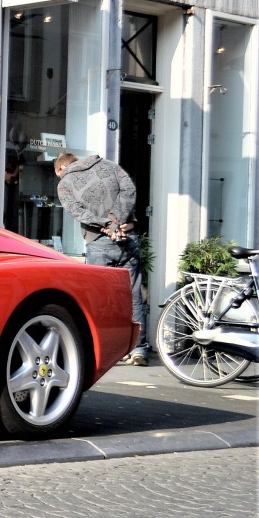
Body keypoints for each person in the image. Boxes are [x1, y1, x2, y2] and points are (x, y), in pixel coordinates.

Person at [54, 152, 149, 365]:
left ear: (61, 169)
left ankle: (104, 350)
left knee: (100, 300)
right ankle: (139, 349)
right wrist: (116, 220)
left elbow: (77, 211)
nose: (60, 178)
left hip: (98, 242)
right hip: (127, 235)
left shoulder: (65, 183)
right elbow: (129, 189)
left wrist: (106, 225)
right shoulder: (109, 166)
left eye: (58, 175)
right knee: (134, 296)